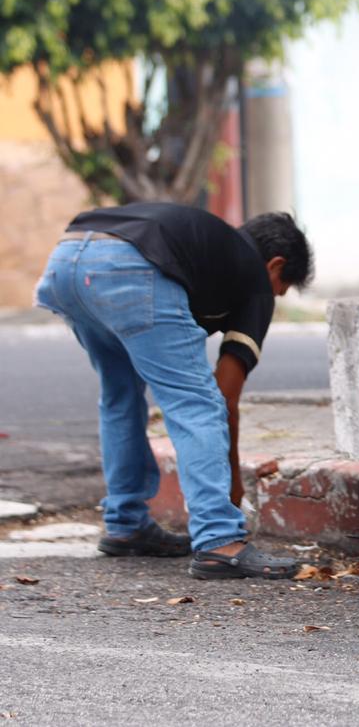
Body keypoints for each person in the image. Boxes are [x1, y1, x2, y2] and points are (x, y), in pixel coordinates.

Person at [34, 203, 313, 580]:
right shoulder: (255, 277)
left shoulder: (212, 248)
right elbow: (224, 396)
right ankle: (219, 540)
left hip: (67, 260)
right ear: (276, 266)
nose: (273, 298)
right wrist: (233, 489)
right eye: (281, 290)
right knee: (197, 403)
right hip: (128, 266)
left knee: (120, 395)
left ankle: (126, 523)